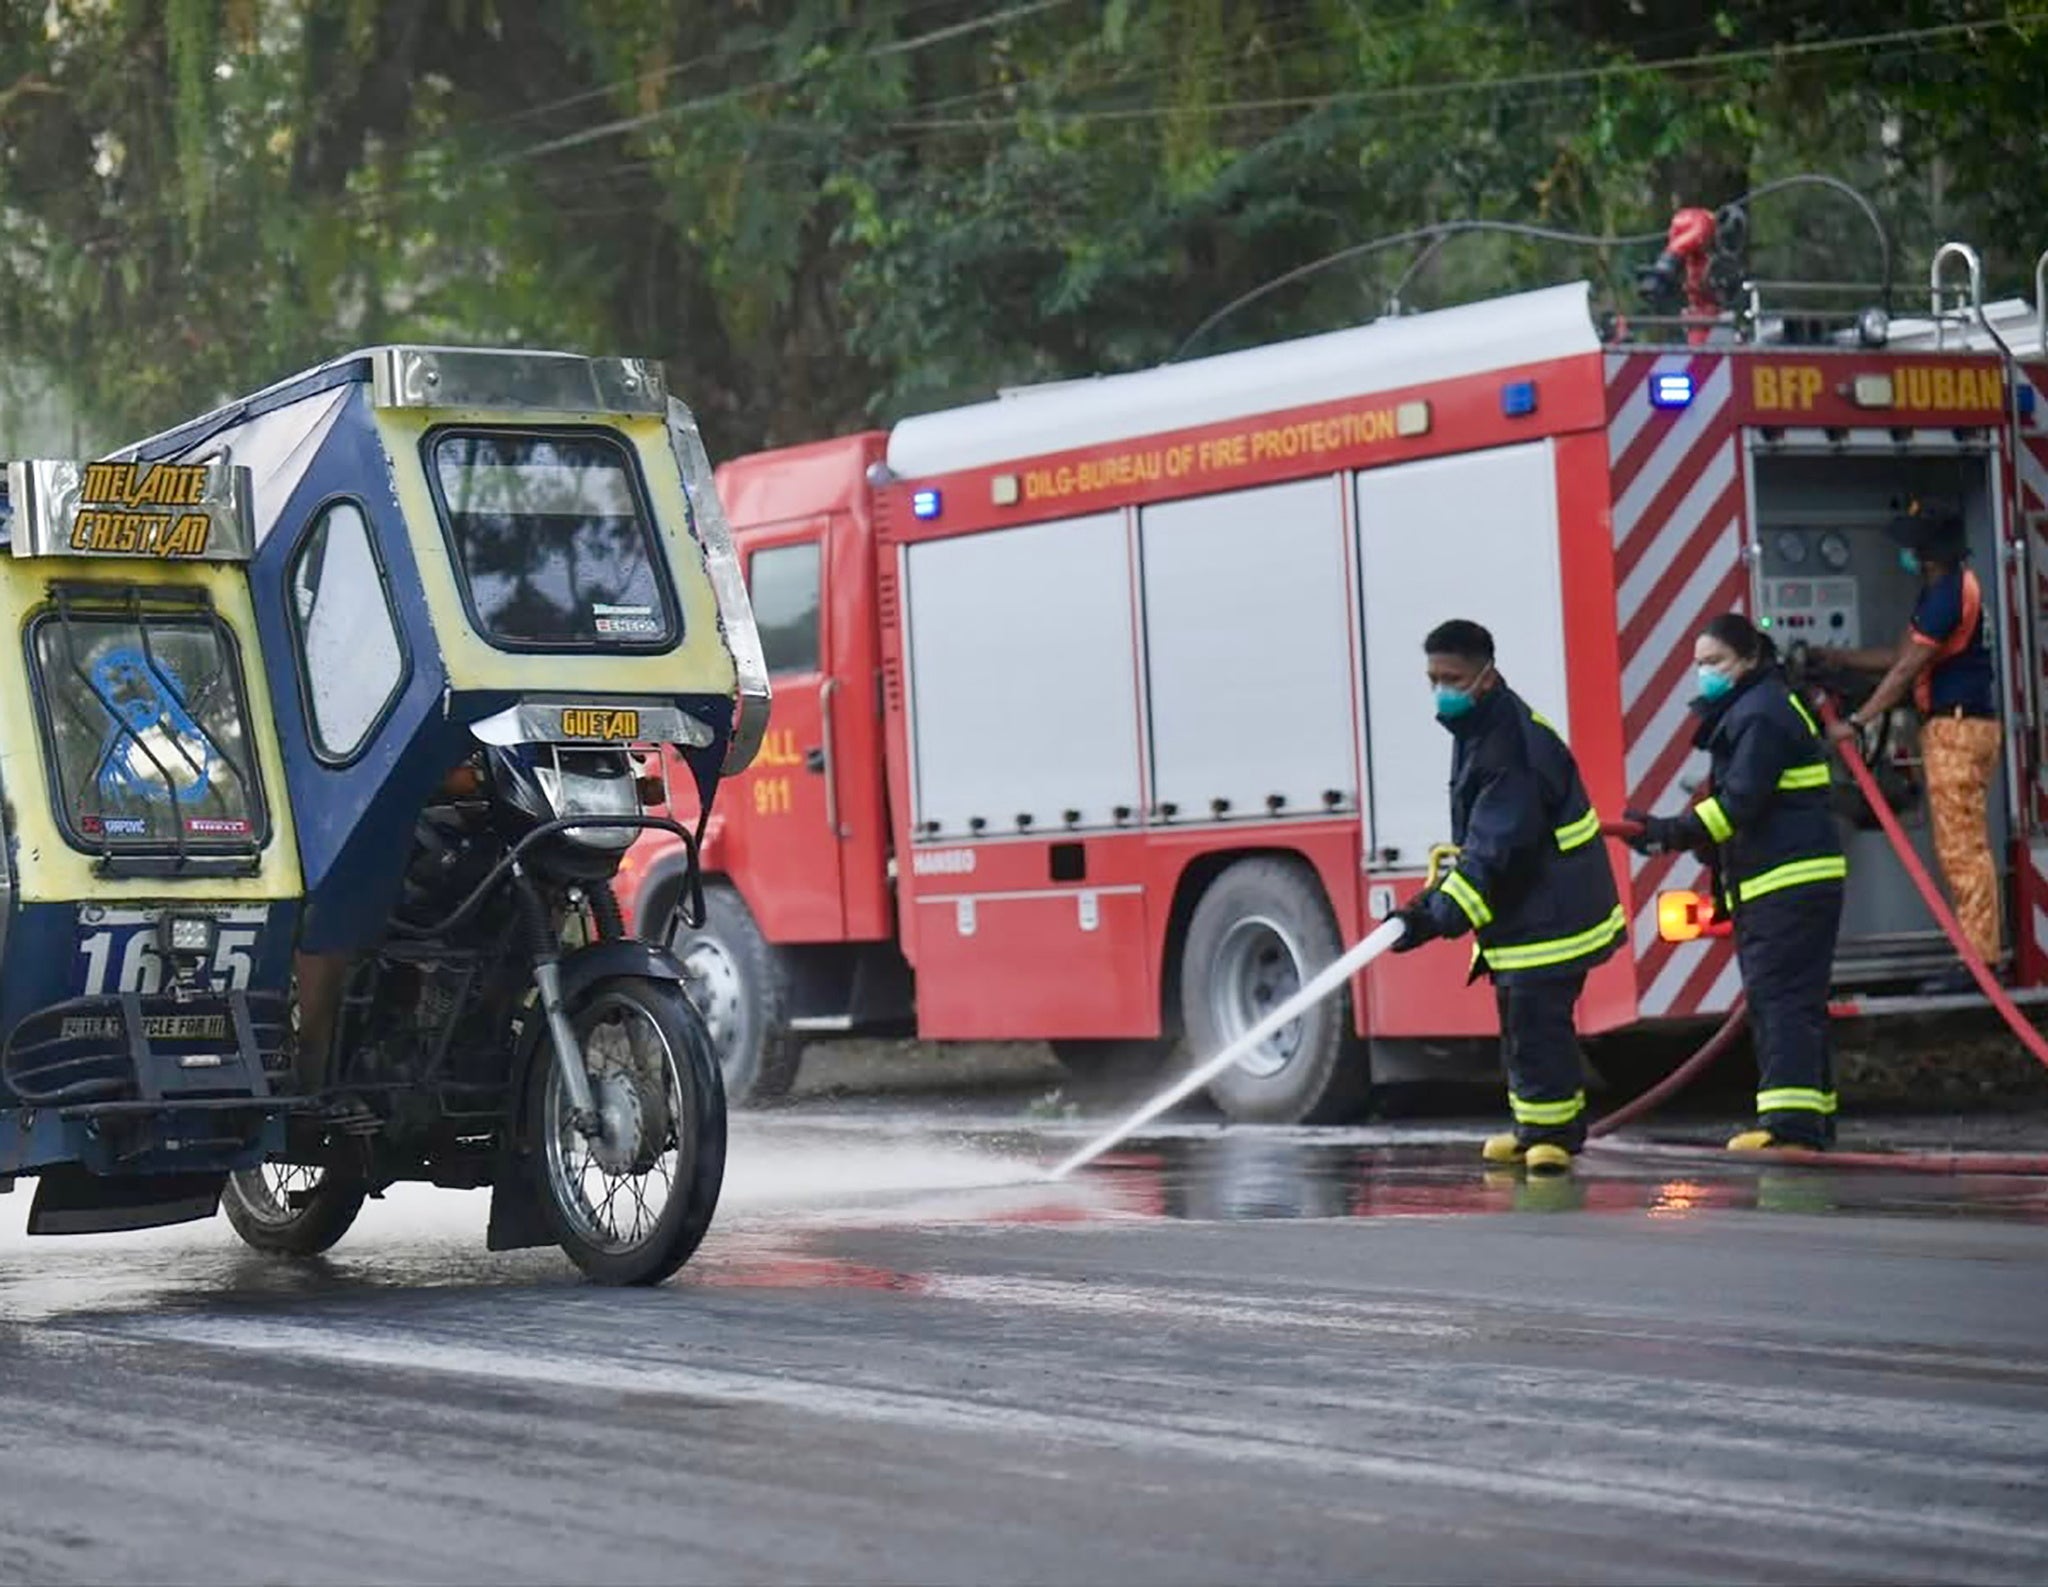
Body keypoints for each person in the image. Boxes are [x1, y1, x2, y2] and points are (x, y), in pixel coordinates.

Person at [1391, 620, 1627, 1174]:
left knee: (1538, 1023)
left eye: (1452, 678)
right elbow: (1480, 844)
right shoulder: (1480, 726)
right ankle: (1535, 1130)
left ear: (1486, 676)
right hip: (1534, 910)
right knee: (1523, 1022)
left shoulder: (1507, 744)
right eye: (1433, 678)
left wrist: (1436, 918)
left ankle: (1554, 1136)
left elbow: (1497, 846)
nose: (1441, 691)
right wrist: (1430, 907)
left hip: (1553, 915)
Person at [1627, 613, 1846, 1150]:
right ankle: (1812, 1122)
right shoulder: (1761, 705)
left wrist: (1666, 835)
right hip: (1784, 879)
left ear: (1748, 659)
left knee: (1781, 1001)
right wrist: (1691, 837)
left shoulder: (1761, 714)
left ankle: (1790, 1129)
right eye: (1700, 664)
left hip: (1785, 882)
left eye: (1715, 663)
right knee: (1795, 1001)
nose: (1706, 674)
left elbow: (1739, 805)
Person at [1824, 498, 2001, 988]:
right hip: (1957, 727)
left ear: (1928, 553)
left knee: (1962, 848)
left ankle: (1979, 965)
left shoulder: (1947, 596)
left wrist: (1857, 722)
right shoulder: (1943, 592)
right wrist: (1833, 657)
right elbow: (1897, 656)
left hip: (1957, 730)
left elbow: (1906, 669)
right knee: (1959, 843)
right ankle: (1976, 956)